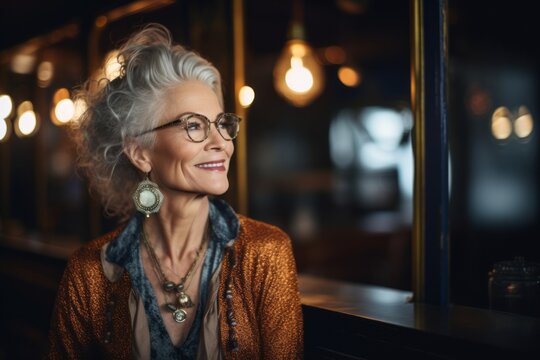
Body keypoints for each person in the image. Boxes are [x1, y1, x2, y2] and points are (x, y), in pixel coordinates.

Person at [47, 24, 303, 359]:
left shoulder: (266, 254)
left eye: (222, 124)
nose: (221, 143)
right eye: (194, 126)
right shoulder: (89, 273)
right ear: (140, 152)